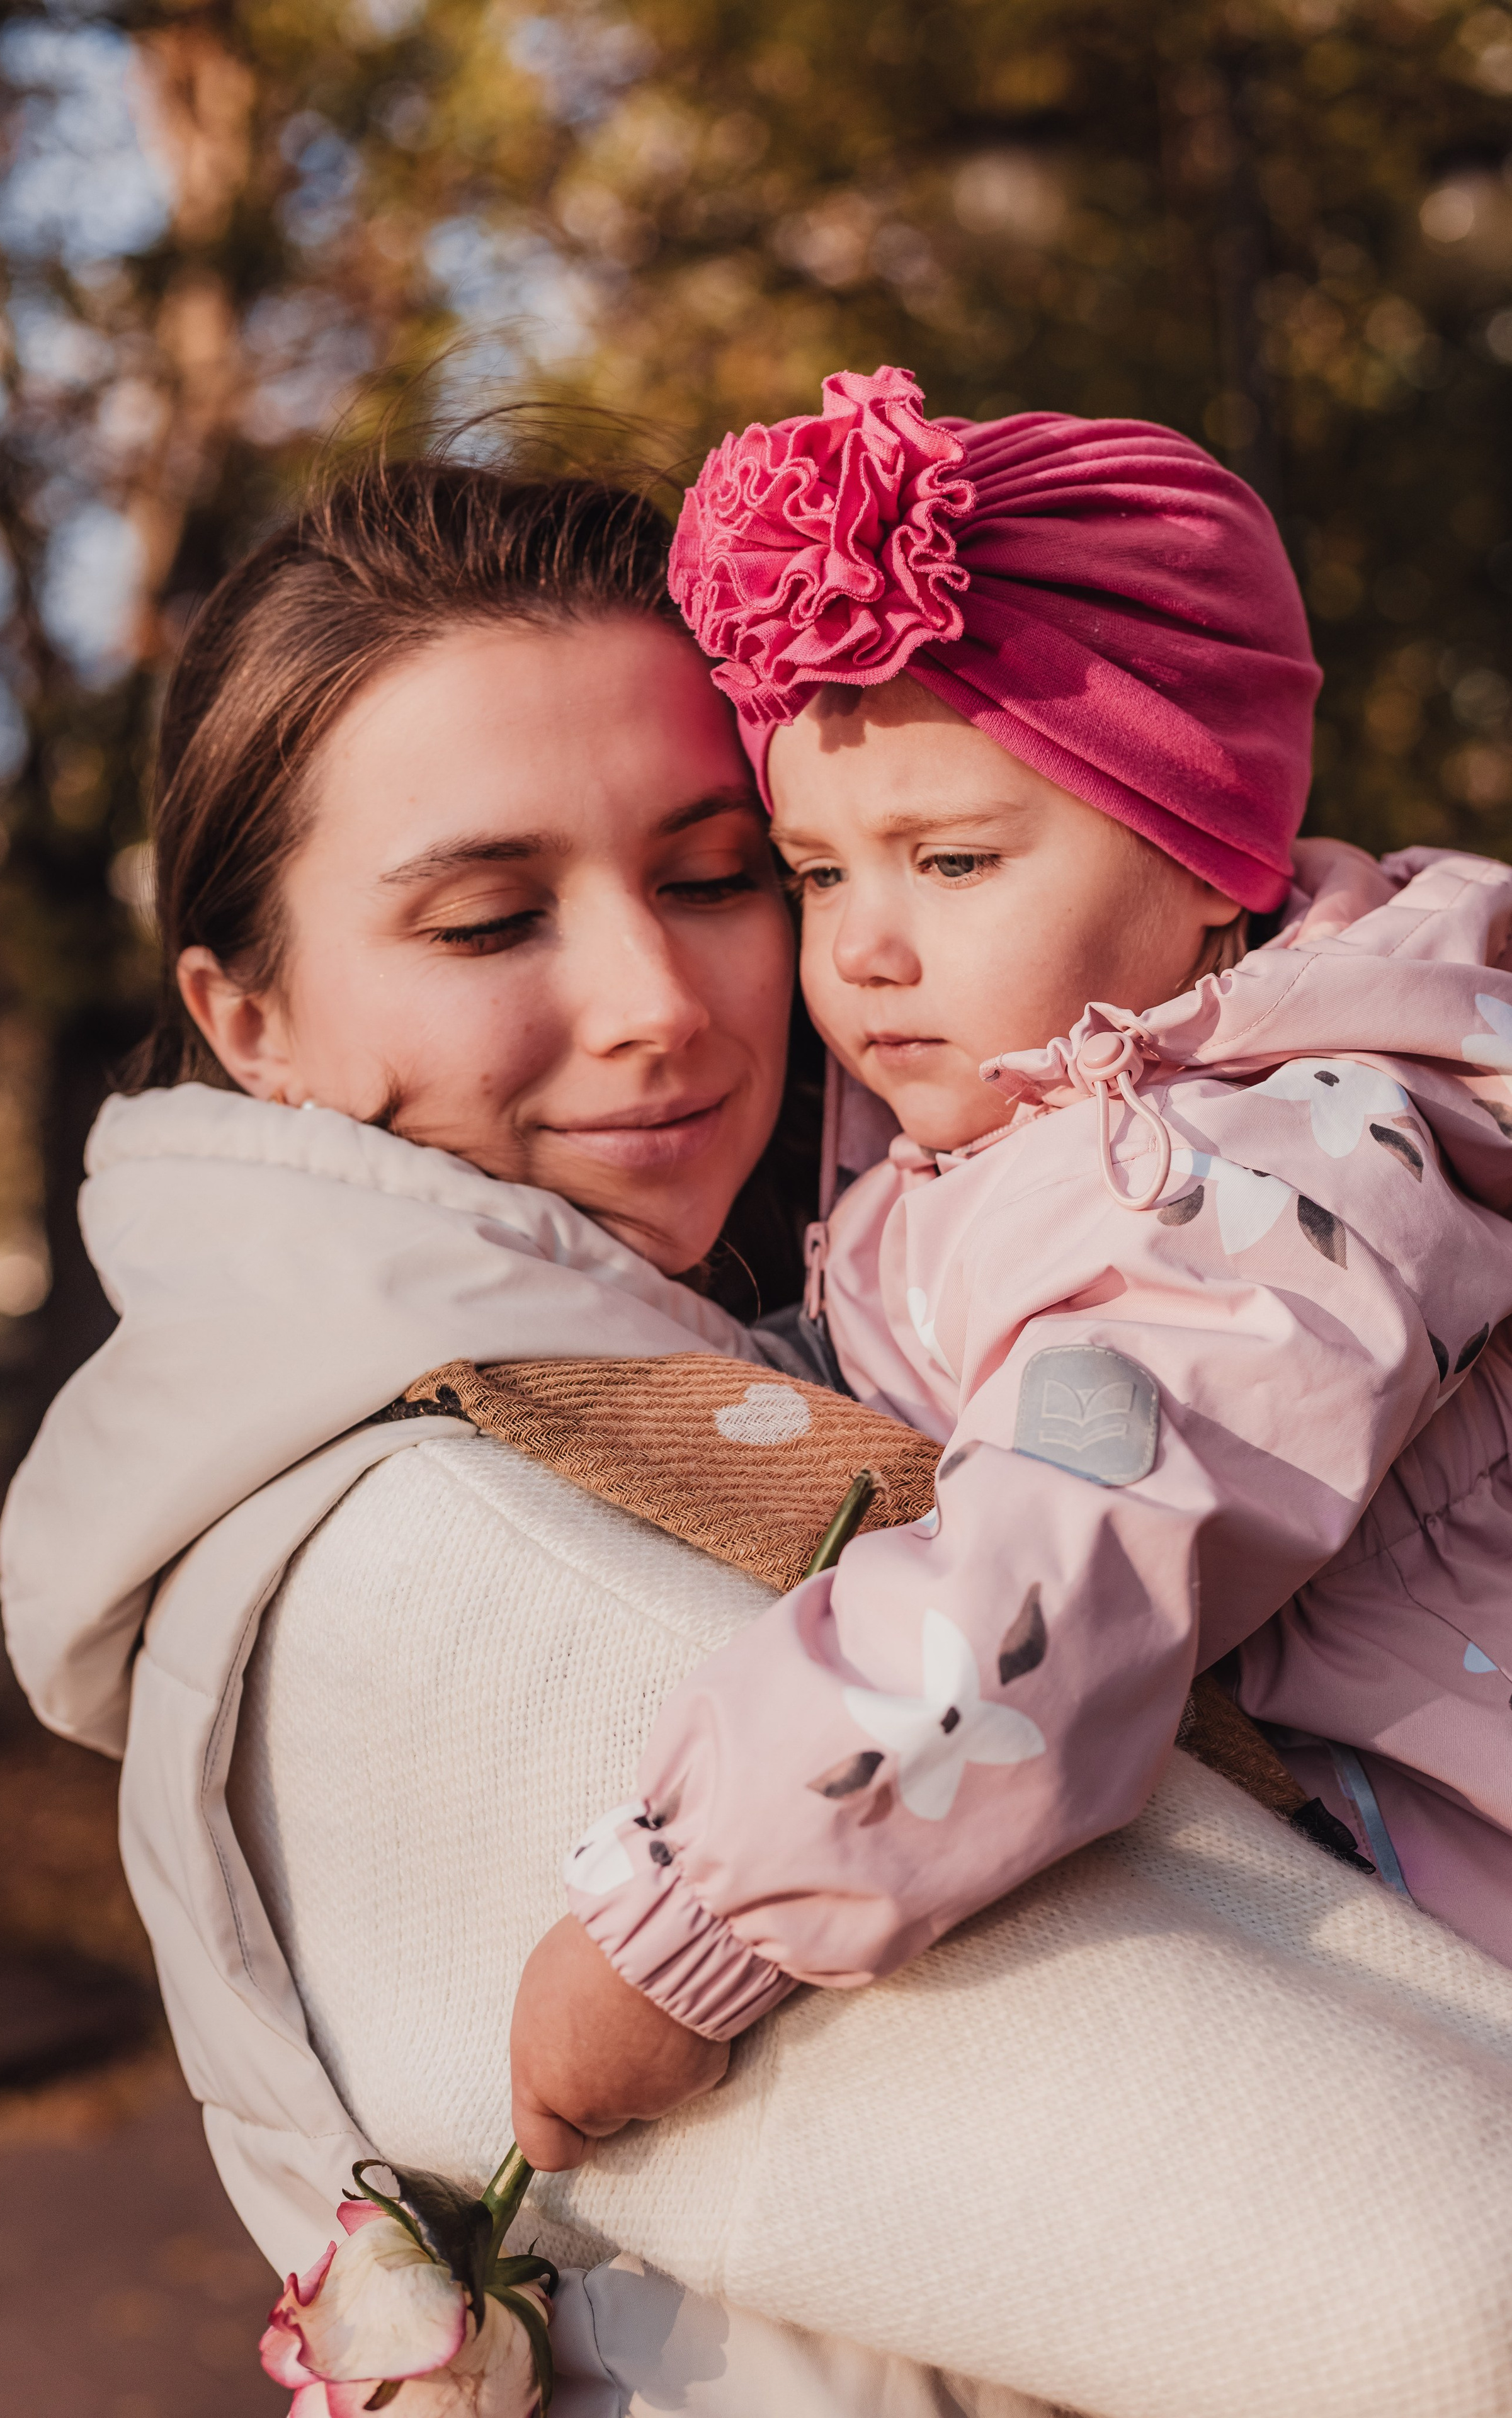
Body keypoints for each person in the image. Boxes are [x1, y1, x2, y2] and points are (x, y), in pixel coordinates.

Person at [0, 433, 1512, 2418]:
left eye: (715, 877)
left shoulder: (1048, 1213)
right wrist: (694, 1917)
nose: (666, 1002)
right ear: (245, 1015)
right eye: (483, 921)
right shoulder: (475, 1548)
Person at [512, 368, 1512, 2160]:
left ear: (1211, 859)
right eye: (815, 871)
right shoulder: (1011, 1126)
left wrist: (693, 1920)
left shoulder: (1259, 1164)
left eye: (955, 857)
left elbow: (1073, 1546)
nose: (867, 950)